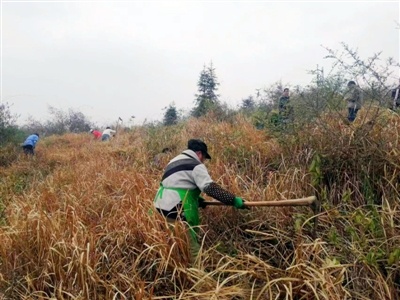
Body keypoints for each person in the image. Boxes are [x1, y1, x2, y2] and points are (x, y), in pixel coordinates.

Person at [153, 139, 247, 262]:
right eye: (204, 157)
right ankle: (199, 277)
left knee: (173, 244)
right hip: (176, 209)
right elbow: (209, 188)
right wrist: (233, 200)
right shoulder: (196, 165)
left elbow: (177, 184)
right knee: (192, 247)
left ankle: (177, 268)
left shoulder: (173, 161)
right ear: (199, 153)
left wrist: (196, 199)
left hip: (159, 207)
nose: (203, 161)